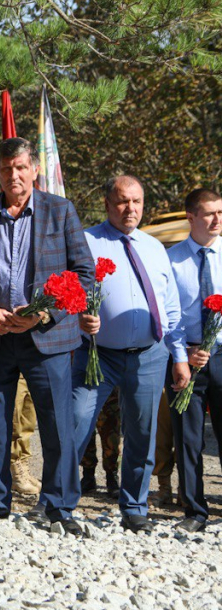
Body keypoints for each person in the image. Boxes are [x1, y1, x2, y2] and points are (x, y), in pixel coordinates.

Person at [0, 137, 94, 537]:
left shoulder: (60, 211)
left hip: (49, 338)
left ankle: (59, 506)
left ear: (35, 170)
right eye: (6, 169)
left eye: (21, 167)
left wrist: (44, 312)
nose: (14, 175)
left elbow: (84, 274)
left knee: (57, 425)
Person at [73, 175, 181, 533]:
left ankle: (135, 507)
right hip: (96, 355)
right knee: (75, 422)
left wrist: (174, 350)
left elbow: (170, 304)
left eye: (136, 201)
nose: (130, 208)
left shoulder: (153, 247)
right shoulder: (86, 241)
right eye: (122, 201)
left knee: (141, 433)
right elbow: (68, 295)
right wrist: (79, 320)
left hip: (149, 354)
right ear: (107, 204)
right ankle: (59, 501)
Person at [165, 187, 222, 532]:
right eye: (209, 213)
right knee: (188, 438)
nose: (217, 220)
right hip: (187, 358)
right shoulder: (172, 260)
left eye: (221, 212)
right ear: (191, 218)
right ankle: (195, 511)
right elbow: (167, 316)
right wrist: (181, 354)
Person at [79, 389, 121, 498]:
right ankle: (88, 475)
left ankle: (112, 477)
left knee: (111, 427)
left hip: (110, 381)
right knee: (85, 425)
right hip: (84, 379)